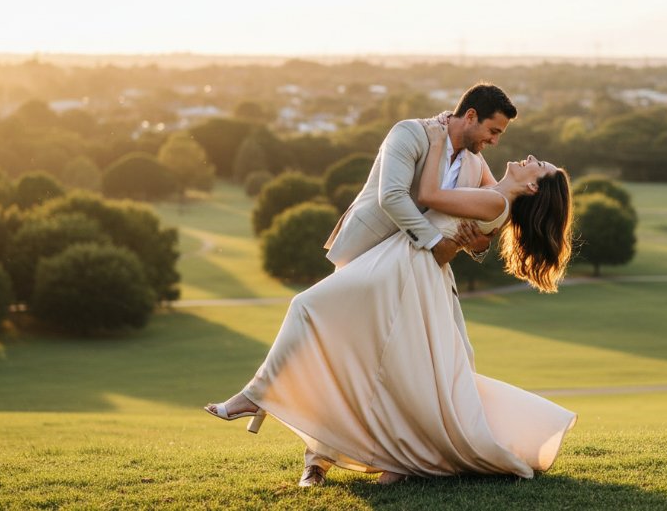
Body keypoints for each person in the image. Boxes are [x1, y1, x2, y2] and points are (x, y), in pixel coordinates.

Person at [204, 115, 578, 485]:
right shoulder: (475, 176)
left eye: (537, 165)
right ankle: (355, 457)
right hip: (389, 258)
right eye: (494, 131)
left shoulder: (491, 195)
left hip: (406, 270)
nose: (506, 146)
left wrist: (469, 228)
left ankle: (260, 396)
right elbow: (452, 211)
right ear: (470, 117)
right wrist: (476, 235)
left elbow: (436, 200)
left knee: (314, 313)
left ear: (532, 188)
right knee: (381, 362)